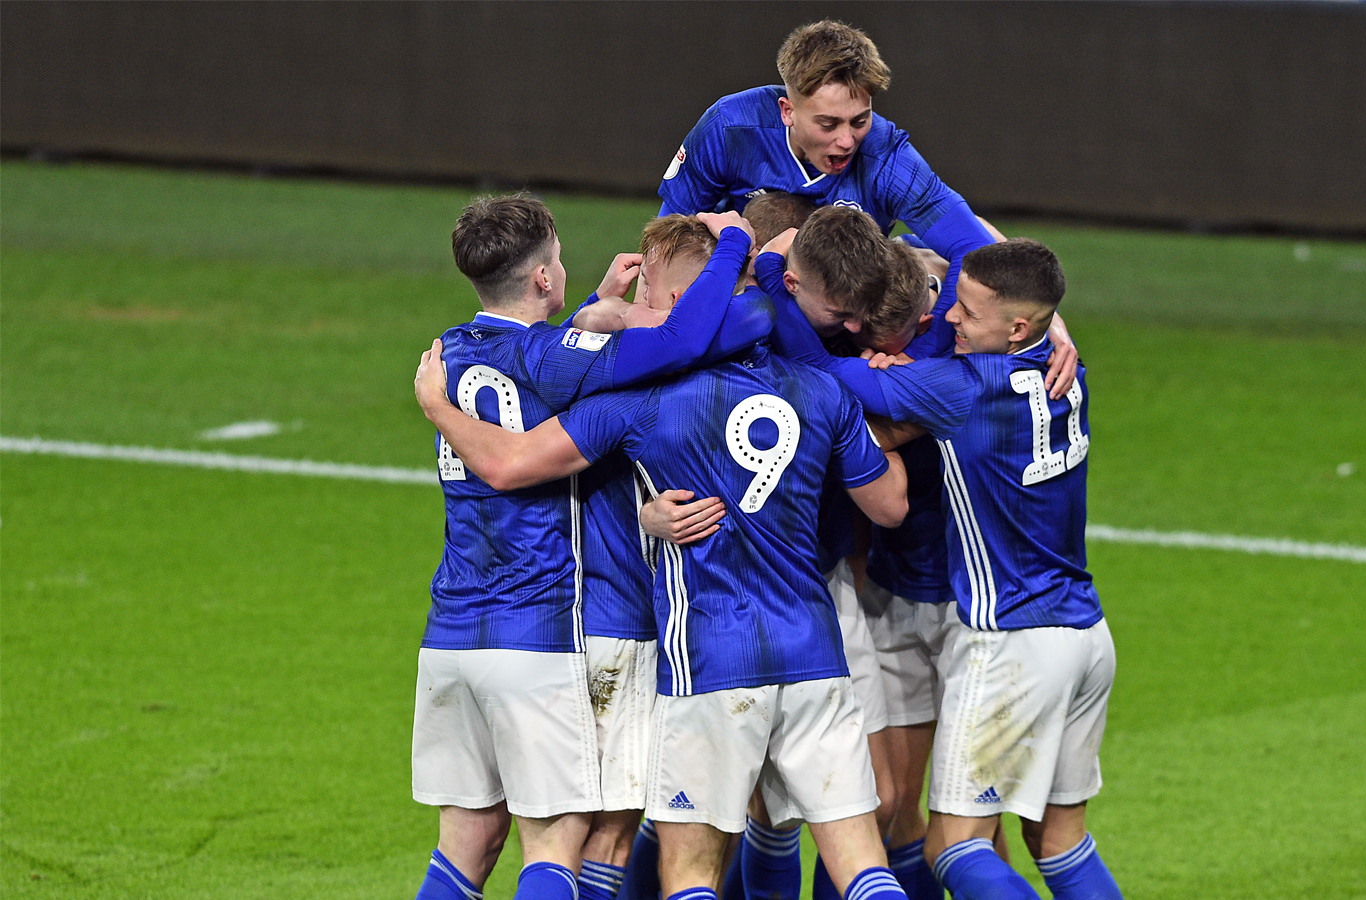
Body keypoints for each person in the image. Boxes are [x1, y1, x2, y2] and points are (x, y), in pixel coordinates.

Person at [411, 233, 917, 899]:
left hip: (708, 661)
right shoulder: (821, 392)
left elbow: (511, 463)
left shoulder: (637, 403)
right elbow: (889, 505)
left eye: (650, 292)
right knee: (862, 867)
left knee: (685, 873)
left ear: (681, 302)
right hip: (814, 655)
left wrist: (439, 407)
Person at [409, 194, 758, 900]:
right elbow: (685, 342)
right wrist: (742, 251)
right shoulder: (553, 359)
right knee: (564, 842)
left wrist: (593, 310)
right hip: (538, 631)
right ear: (542, 277)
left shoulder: (448, 353)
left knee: (468, 844)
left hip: (450, 634)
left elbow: (539, 380)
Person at [765, 239, 1122, 899]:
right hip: (1086, 638)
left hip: (1011, 640)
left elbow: (822, 369)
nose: (951, 317)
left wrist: (769, 275)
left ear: (1016, 326)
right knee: (1060, 843)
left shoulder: (964, 388)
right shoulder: (1063, 372)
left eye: (969, 309)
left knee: (954, 847)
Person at [657, 20, 996, 267]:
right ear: (787, 111)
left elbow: (976, 250)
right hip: (742, 284)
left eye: (860, 120)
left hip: (849, 307)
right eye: (828, 123)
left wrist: (1037, 314)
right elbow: (666, 241)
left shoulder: (890, 158)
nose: (847, 140)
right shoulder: (730, 128)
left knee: (928, 268)